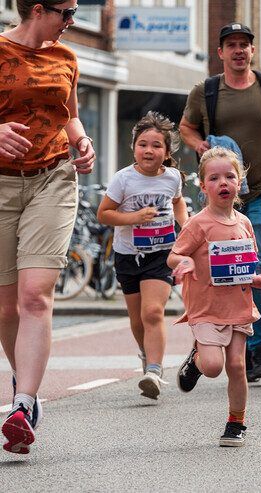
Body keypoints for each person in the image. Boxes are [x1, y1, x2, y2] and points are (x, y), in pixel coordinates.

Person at [0, 0, 96, 455]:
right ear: (38, 9)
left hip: (54, 179)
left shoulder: (66, 57)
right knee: (5, 308)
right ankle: (26, 376)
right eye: (67, 12)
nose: (72, 21)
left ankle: (23, 402)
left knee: (35, 294)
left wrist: (80, 139)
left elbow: (69, 112)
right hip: (1, 186)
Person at [180, 22, 261, 382]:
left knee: (252, 262)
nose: (239, 50)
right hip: (218, 192)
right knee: (211, 264)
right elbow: (186, 127)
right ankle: (206, 340)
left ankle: (259, 349)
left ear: (252, 51)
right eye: (232, 45)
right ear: (221, 52)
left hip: (258, 189)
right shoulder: (207, 90)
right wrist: (201, 147)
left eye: (245, 44)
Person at [170, 148, 261, 447]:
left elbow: (243, 267)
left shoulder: (244, 223)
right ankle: (197, 358)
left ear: (240, 182)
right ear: (203, 186)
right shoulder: (198, 223)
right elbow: (175, 254)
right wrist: (184, 262)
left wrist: (259, 279)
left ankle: (236, 421)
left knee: (236, 366)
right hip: (206, 307)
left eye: (230, 176)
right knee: (214, 366)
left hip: (238, 304)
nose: (223, 182)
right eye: (214, 178)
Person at [97, 112, 188, 399]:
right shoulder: (123, 179)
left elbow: (178, 203)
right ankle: (145, 353)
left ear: (167, 151)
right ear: (134, 147)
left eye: (157, 145)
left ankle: (154, 371)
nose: (149, 150)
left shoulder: (172, 177)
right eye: (143, 144)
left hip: (161, 253)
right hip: (127, 255)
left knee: (152, 312)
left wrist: (184, 225)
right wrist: (134, 217)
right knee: (137, 319)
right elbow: (104, 214)